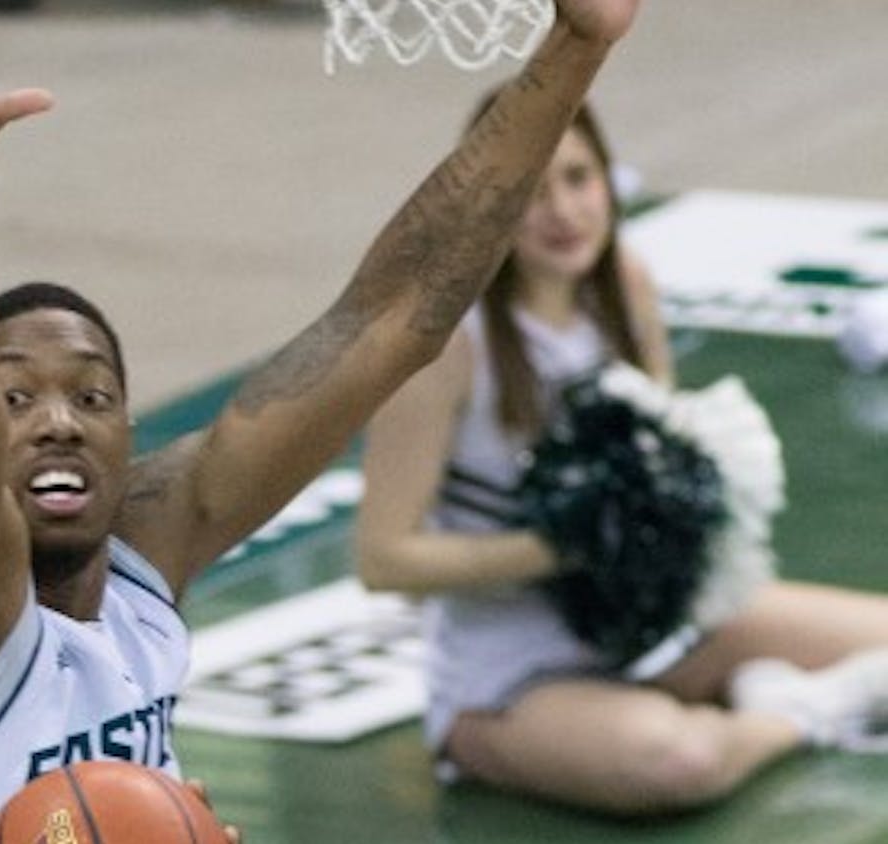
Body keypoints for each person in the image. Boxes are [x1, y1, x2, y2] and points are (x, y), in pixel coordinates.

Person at [0, 0, 640, 839]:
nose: (59, 422)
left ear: (129, 436)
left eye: (93, 397)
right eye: (15, 398)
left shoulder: (143, 552)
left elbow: (390, 319)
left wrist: (578, 43)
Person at [353, 99, 888, 816]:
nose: (563, 211)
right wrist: (563, 547)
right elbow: (385, 560)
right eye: (531, 191)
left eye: (579, 178)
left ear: (609, 179)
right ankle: (801, 710)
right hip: (512, 670)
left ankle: (744, 696)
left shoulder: (624, 285)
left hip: (649, 629)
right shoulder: (444, 343)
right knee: (679, 762)